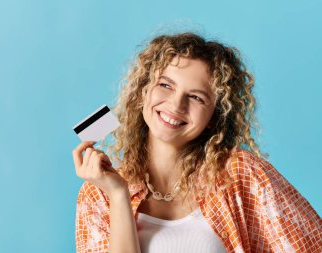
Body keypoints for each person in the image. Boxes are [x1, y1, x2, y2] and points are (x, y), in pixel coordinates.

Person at [72, 32, 322, 253]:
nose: (176, 105)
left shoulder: (241, 174)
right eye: (165, 85)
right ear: (143, 93)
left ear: (214, 116)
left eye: (196, 97)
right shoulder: (99, 193)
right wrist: (118, 195)